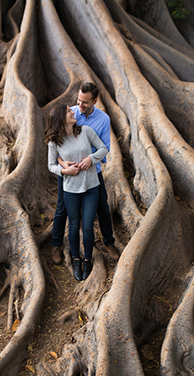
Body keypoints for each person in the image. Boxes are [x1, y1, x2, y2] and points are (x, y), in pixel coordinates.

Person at [49, 82, 121, 266]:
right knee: (61, 208)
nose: (79, 106)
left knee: (103, 208)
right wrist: (62, 163)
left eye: (84, 103)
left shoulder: (103, 120)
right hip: (69, 173)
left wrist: (91, 160)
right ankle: (56, 245)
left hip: (92, 172)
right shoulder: (69, 113)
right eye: (79, 100)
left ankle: (109, 243)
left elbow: (105, 147)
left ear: (94, 101)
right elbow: (56, 144)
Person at [46, 103, 109, 281]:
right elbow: (51, 165)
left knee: (87, 226)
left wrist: (91, 159)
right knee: (73, 225)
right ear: (60, 117)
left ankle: (87, 260)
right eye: (67, 111)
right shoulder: (54, 141)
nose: (72, 112)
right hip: (70, 189)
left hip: (91, 186)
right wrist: (65, 171)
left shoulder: (86, 131)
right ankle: (76, 260)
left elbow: (103, 148)